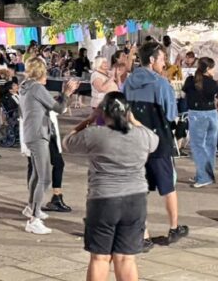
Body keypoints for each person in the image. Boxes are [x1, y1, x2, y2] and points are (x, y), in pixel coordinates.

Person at [63, 92, 158, 281]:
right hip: (135, 200)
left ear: (103, 113)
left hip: (103, 199)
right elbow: (153, 140)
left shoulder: (95, 134)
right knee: (126, 258)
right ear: (127, 113)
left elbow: (67, 142)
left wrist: (88, 120)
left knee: (100, 258)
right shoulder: (143, 135)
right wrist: (134, 120)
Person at [123, 41, 188, 248]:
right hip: (159, 141)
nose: (164, 63)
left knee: (139, 189)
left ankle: (144, 235)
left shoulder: (128, 82)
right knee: (168, 186)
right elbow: (171, 114)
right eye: (162, 59)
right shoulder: (161, 84)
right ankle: (174, 227)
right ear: (152, 60)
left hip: (135, 142)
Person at [20, 58, 78, 234]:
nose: (47, 75)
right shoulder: (37, 88)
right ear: (39, 73)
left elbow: (45, 105)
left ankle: (31, 208)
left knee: (36, 174)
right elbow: (59, 108)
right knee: (44, 178)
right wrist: (67, 93)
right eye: (45, 72)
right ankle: (34, 219)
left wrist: (62, 96)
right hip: (39, 135)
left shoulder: (26, 86)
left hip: (31, 132)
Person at [182, 57, 218, 188]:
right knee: (210, 146)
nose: (214, 71)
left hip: (197, 114)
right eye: (213, 68)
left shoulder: (190, 80)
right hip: (212, 114)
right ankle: (205, 175)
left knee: (198, 147)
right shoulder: (213, 83)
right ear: (208, 69)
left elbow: (185, 93)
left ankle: (204, 177)